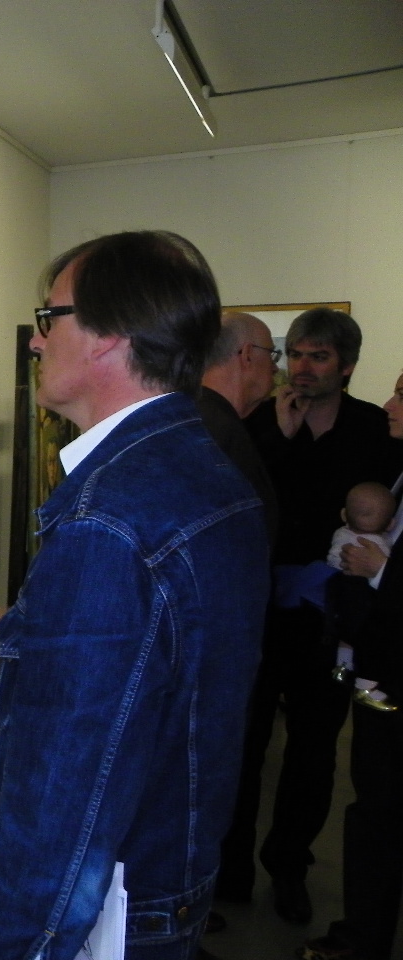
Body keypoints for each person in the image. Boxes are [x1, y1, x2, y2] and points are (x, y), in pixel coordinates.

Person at [0, 231, 270, 960]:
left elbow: (62, 821)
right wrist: (25, 631)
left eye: (49, 317)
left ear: (110, 334)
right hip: (169, 875)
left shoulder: (109, 524)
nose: (36, 340)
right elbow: (167, 657)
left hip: (111, 917)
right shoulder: (205, 473)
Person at [219, 309, 402, 923]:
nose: (302, 367)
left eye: (318, 356)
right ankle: (231, 868)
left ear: (346, 366)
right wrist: (277, 434)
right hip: (256, 609)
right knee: (242, 744)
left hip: (330, 619)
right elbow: (236, 500)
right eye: (295, 354)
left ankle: (289, 866)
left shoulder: (375, 429)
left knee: (313, 751)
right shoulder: (256, 423)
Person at [302, 371, 403, 960]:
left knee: (379, 818)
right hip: (379, 671)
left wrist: (380, 571)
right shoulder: (397, 468)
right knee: (374, 815)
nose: (389, 403)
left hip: (395, 680)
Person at [197, 310, 281, 545]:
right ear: (247, 355)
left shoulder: (198, 416)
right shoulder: (216, 430)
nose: (275, 368)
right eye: (272, 355)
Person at [325, 482, 396, 711]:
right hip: (366, 601)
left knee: (348, 634)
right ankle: (365, 687)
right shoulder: (379, 544)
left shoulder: (341, 534)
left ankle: (342, 666)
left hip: (341, 596)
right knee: (369, 640)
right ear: (391, 523)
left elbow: (334, 559)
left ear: (344, 514)